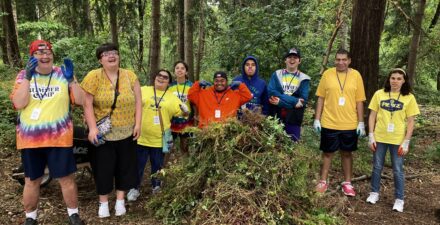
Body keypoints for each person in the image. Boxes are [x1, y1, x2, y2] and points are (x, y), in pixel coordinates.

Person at [10, 40, 85, 225]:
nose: (45, 56)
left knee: (66, 179)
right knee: (32, 179)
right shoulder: (22, 76)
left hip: (59, 138)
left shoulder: (62, 73)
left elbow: (82, 100)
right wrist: (27, 77)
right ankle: (30, 218)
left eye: (48, 52)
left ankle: (74, 216)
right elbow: (19, 104)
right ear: (32, 57)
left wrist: (71, 80)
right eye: (39, 53)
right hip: (30, 139)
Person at [81, 43, 142, 218]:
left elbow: (138, 101)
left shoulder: (130, 76)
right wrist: (92, 128)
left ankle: (120, 200)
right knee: (103, 169)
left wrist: (138, 124)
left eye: (114, 52)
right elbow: (87, 104)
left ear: (119, 56)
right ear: (100, 60)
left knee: (125, 167)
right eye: (106, 54)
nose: (111, 56)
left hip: (127, 132)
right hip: (102, 134)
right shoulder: (94, 76)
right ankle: (103, 203)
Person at [127, 69, 188, 201]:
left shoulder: (172, 97)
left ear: (169, 82)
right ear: (154, 78)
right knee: (138, 165)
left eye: (165, 77)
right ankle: (134, 188)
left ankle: (156, 187)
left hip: (160, 139)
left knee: (158, 165)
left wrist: (185, 111)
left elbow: (183, 113)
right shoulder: (143, 90)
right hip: (140, 136)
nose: (161, 78)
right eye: (159, 75)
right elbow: (129, 101)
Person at [314, 48, 366, 196]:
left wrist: (361, 122)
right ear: (334, 60)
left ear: (349, 61)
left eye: (344, 60)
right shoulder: (327, 74)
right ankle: (323, 181)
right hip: (329, 121)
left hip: (349, 123)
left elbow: (359, 100)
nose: (341, 62)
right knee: (327, 153)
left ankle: (348, 183)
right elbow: (321, 98)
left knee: (347, 153)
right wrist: (317, 119)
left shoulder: (356, 75)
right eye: (338, 59)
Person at [366, 68, 419, 212]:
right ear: (389, 79)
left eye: (399, 79)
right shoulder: (379, 94)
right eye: (393, 78)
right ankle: (374, 193)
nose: (395, 81)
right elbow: (372, 116)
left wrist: (406, 141)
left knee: (397, 169)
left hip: (398, 140)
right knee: (377, 166)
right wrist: (371, 135)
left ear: (404, 81)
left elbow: (410, 122)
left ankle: (399, 199)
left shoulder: (409, 98)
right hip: (380, 137)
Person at [268, 48, 310, 142]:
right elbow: (271, 92)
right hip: (276, 118)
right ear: (285, 60)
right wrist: (294, 101)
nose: (292, 60)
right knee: (274, 147)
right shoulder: (277, 74)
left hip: (294, 119)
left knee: (292, 149)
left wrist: (280, 102)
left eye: (295, 57)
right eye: (289, 57)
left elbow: (303, 101)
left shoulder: (304, 78)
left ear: (299, 61)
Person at [188, 71, 253, 128]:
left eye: (222, 81)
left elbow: (248, 96)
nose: (219, 83)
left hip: (227, 132)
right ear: (213, 81)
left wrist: (240, 85)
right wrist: (197, 84)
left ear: (227, 82)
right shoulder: (204, 93)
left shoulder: (234, 94)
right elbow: (191, 96)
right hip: (206, 131)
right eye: (216, 81)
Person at [168, 61, 194, 155]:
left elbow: (195, 103)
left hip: (186, 121)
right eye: (177, 68)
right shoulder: (169, 86)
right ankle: (162, 168)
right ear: (174, 71)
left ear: (186, 72)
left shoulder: (191, 86)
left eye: (182, 68)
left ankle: (185, 167)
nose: (180, 70)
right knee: (167, 147)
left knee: (185, 147)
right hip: (171, 121)